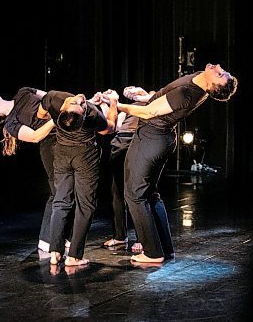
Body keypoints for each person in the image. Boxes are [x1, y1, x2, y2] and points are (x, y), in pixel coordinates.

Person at [117, 63, 239, 263]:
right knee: (149, 193)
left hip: (152, 138)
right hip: (155, 137)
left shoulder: (189, 93)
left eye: (220, 74)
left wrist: (117, 106)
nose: (217, 67)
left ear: (212, 86)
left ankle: (152, 252)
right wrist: (143, 97)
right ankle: (163, 247)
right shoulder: (199, 77)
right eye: (222, 70)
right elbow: (162, 100)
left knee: (134, 195)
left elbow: (149, 113)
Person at [0, 87, 68, 253]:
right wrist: (56, 120)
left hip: (65, 135)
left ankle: (60, 236)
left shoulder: (22, 92)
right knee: (58, 192)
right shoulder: (11, 123)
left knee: (67, 190)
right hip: (51, 146)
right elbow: (35, 137)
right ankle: (48, 239)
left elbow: (51, 97)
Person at [38, 89, 118, 266]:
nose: (80, 101)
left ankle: (55, 252)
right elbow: (110, 128)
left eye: (79, 104)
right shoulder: (91, 113)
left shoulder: (53, 100)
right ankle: (74, 256)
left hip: (62, 153)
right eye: (79, 105)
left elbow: (40, 113)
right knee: (85, 205)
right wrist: (113, 102)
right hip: (84, 155)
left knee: (61, 202)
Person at [102, 87, 154, 252]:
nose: (131, 91)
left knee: (136, 193)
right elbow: (114, 126)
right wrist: (109, 104)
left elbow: (152, 101)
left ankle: (142, 238)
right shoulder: (127, 110)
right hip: (119, 144)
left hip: (137, 143)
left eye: (134, 89)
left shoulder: (152, 99)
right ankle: (119, 236)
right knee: (116, 192)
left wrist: (141, 93)